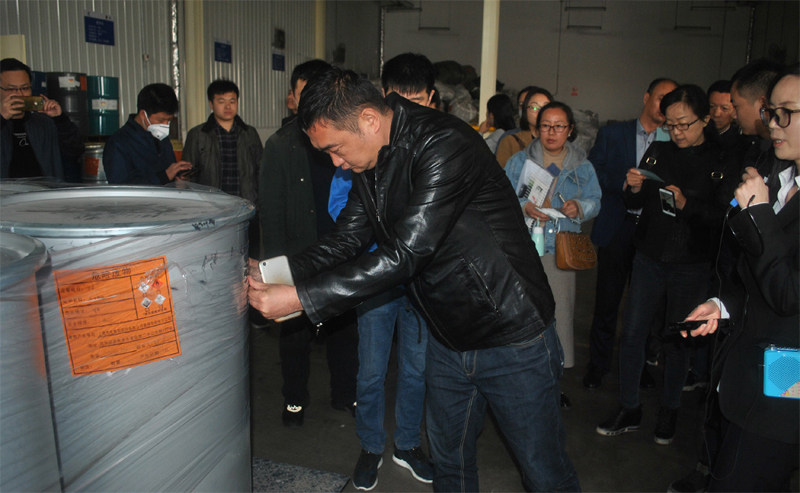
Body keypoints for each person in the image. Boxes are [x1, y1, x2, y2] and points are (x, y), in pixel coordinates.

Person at [248, 67, 579, 492]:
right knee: (450, 463)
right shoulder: (371, 157)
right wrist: (272, 270)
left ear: (369, 119)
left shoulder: (444, 144)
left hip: (511, 335)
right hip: (447, 336)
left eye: (335, 149)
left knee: (544, 471)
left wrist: (300, 299)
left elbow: (405, 255)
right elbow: (346, 239)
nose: (335, 163)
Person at [680, 66, 799, 492]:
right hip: (753, 366)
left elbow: (789, 294)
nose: (773, 123)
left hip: (788, 373)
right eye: (770, 111)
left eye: (786, 112)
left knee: (748, 472)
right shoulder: (781, 177)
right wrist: (723, 305)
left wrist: (760, 215)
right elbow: (758, 271)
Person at [597, 84, 733, 446]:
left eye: (684, 124)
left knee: (678, 337)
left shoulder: (720, 160)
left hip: (692, 261)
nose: (677, 132)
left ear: (705, 119)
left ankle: (670, 408)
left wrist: (687, 204)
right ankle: (629, 406)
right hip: (649, 255)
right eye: (670, 125)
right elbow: (635, 202)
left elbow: (722, 217)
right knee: (633, 332)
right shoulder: (658, 151)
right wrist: (633, 188)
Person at [327, 52, 436, 491]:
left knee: (416, 369)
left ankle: (407, 444)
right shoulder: (361, 151)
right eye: (399, 100)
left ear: (431, 99)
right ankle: (371, 445)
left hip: (421, 281)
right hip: (376, 279)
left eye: (417, 101)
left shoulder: (438, 148)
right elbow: (341, 209)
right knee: (371, 370)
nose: (408, 110)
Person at [258, 59, 358, 429]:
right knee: (294, 332)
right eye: (304, 94)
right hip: (297, 255)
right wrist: (275, 267)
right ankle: (295, 398)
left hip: (339, 251)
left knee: (344, 329)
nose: (311, 101)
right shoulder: (280, 144)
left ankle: (345, 393)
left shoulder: (344, 140)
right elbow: (270, 210)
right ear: (292, 98)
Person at [583, 78, 678, 390]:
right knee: (607, 302)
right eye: (661, 98)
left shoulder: (673, 139)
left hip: (652, 232)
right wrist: (623, 183)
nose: (665, 106)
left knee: (646, 307)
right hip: (617, 225)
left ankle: (639, 366)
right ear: (646, 97)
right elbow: (592, 170)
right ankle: (598, 365)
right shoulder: (614, 133)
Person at [504, 101, 602, 403]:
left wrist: (579, 207)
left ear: (570, 130)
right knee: (524, 314)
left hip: (560, 250)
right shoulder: (520, 162)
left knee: (560, 314)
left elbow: (595, 200)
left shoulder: (582, 166)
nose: (551, 132)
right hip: (525, 249)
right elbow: (502, 198)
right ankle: (521, 380)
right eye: (546, 126)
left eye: (559, 126)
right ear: (536, 129)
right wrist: (524, 207)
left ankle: (552, 383)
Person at [182, 79, 263, 247]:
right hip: (212, 211)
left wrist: (259, 204)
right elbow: (187, 177)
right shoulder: (197, 135)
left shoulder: (250, 133)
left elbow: (261, 171)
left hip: (246, 208)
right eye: (221, 101)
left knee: (249, 253)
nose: (228, 106)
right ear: (211, 104)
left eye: (232, 101)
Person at [1, 57, 83, 181]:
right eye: (11, 89)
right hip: (6, 193)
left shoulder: (43, 123)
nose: (19, 94)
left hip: (42, 191)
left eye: (25, 88)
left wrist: (60, 119)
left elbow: (75, 150)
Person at [104, 83, 192, 185]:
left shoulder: (161, 137)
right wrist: (165, 176)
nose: (166, 125)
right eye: (161, 120)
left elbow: (168, 172)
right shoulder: (118, 143)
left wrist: (178, 176)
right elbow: (120, 187)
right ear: (143, 114)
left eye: (169, 120)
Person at [495, 86, 552, 167]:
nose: (540, 112)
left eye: (545, 107)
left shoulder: (559, 140)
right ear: (525, 110)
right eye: (534, 107)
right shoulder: (510, 141)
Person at [707, 80, 738, 151]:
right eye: (712, 106)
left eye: (724, 108)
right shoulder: (697, 136)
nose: (716, 114)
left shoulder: (739, 142)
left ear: (735, 110)